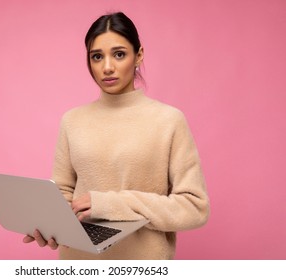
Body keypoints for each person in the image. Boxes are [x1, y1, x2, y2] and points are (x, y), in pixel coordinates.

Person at [23, 11, 209, 260]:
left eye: (119, 54)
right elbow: (63, 195)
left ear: (138, 55)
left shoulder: (168, 120)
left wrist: (111, 204)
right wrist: (50, 225)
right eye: (97, 56)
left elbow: (194, 208)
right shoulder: (72, 120)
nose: (107, 67)